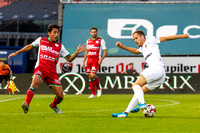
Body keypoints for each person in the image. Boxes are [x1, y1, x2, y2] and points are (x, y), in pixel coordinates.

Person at [8, 24, 86, 114]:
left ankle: (53, 105)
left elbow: (69, 59)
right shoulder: (41, 40)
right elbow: (30, 46)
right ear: (49, 33)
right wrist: (17, 52)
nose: (56, 35)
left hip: (52, 72)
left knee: (60, 96)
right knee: (35, 82)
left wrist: (76, 52)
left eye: (58, 33)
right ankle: (27, 105)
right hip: (40, 68)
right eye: (54, 32)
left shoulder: (60, 46)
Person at [112, 30, 189, 117]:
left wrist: (183, 36)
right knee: (139, 91)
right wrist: (122, 46)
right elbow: (136, 51)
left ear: (142, 36)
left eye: (136, 38)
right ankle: (125, 113)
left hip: (156, 68)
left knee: (135, 86)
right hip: (161, 75)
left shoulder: (151, 40)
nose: (135, 41)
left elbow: (166, 38)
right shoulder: (142, 48)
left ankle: (142, 103)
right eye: (134, 39)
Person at [82, 27, 107, 98]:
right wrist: (84, 62)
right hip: (89, 60)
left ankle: (99, 88)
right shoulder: (88, 41)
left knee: (92, 75)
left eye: (95, 32)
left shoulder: (101, 40)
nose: (93, 33)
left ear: (97, 32)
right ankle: (93, 94)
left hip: (96, 60)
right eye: (92, 32)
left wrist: (101, 58)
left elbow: (105, 51)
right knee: (90, 76)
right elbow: (86, 51)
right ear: (90, 33)